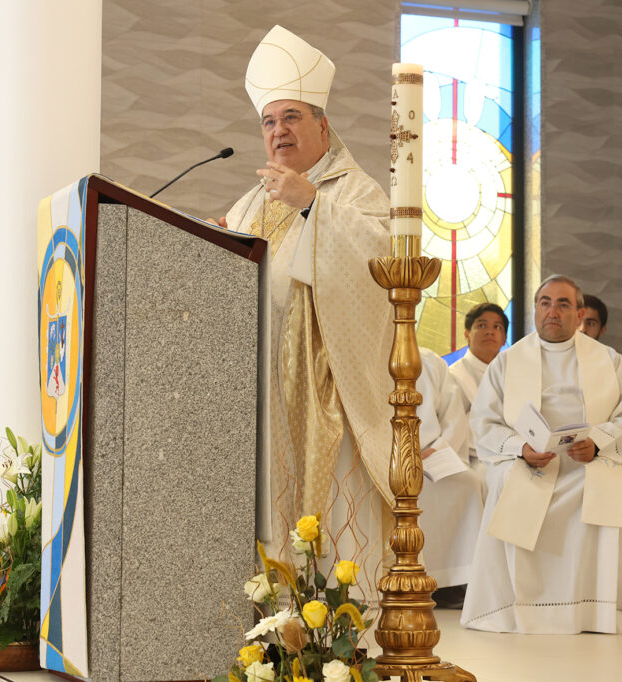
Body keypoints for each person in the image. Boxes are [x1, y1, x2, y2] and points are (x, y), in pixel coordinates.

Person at [218, 25, 394, 596]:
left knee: (330, 525)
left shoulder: (351, 191)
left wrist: (314, 205)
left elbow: (385, 257)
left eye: (291, 117)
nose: (278, 131)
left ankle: (341, 631)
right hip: (261, 392)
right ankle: (278, 630)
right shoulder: (251, 200)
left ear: (323, 125)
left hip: (326, 392)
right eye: (269, 122)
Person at [460, 275, 622, 634]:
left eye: (563, 304)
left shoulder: (608, 360)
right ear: (534, 311)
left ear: (579, 314)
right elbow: (484, 421)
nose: (552, 311)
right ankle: (518, 608)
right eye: (545, 302)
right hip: (529, 460)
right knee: (504, 482)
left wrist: (599, 442)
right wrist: (519, 449)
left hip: (586, 461)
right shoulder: (509, 361)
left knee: (606, 482)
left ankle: (591, 610)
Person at [416, 348, 485, 608]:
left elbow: (453, 417)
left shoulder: (430, 361)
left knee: (468, 485)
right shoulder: (371, 359)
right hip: (386, 458)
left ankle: (454, 581)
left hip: (431, 455)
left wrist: (439, 448)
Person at [450, 302, 509, 471]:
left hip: (511, 453)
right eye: (481, 325)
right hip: (470, 459)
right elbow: (450, 428)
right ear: (467, 334)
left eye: (497, 327)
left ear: (504, 338)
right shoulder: (454, 376)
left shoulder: (512, 374)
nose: (490, 331)